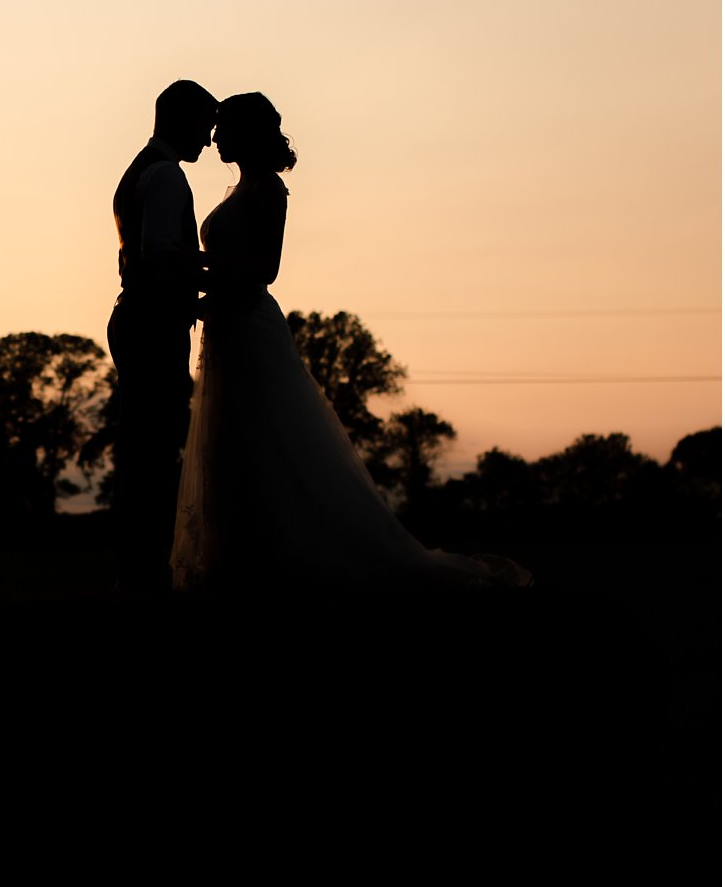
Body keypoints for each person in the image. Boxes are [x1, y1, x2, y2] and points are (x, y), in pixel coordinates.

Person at [170, 91, 530, 589]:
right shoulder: (240, 190)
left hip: (251, 328)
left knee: (266, 441)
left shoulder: (268, 190)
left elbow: (264, 271)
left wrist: (193, 266)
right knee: (230, 443)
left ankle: (296, 560)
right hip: (227, 328)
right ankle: (243, 562)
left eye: (224, 128)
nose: (214, 137)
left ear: (247, 133)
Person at [107, 79, 219, 595]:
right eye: (204, 125)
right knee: (155, 451)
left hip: (135, 317)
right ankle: (147, 572)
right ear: (181, 120)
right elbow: (159, 254)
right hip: (152, 324)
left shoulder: (139, 171)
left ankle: (138, 568)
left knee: (142, 449)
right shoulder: (168, 177)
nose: (209, 138)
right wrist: (215, 278)